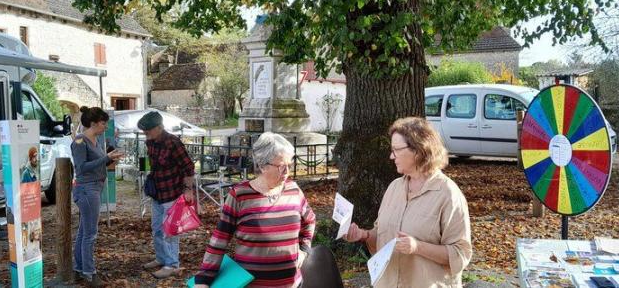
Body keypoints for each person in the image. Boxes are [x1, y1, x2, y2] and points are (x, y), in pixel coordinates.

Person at [344, 117, 472, 288]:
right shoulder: (394, 188)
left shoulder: (448, 194)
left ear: (418, 151)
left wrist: (417, 247)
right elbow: (383, 237)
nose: (391, 156)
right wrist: (364, 235)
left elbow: (460, 254)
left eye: (396, 150)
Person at [193, 132, 316, 288]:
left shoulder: (294, 191)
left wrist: (304, 249)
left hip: (292, 284)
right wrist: (203, 280)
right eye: (281, 166)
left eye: (289, 165)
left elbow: (309, 221)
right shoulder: (240, 195)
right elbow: (220, 239)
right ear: (263, 165)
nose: (287, 172)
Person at [139, 111, 196, 279]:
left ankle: (172, 264)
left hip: (172, 193)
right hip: (158, 193)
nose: (145, 134)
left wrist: (188, 189)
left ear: (159, 127)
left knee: (169, 231)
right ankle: (161, 258)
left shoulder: (173, 143)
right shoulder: (151, 142)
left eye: (148, 130)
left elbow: (189, 168)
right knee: (156, 229)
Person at [71, 106, 124, 287]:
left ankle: (79, 268)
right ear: (93, 123)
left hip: (94, 188)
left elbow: (96, 163)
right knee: (90, 234)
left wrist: (110, 158)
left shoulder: (95, 140)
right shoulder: (80, 141)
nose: (105, 127)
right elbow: (81, 167)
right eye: (103, 123)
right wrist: (105, 158)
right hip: (86, 190)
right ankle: (89, 273)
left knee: (83, 232)